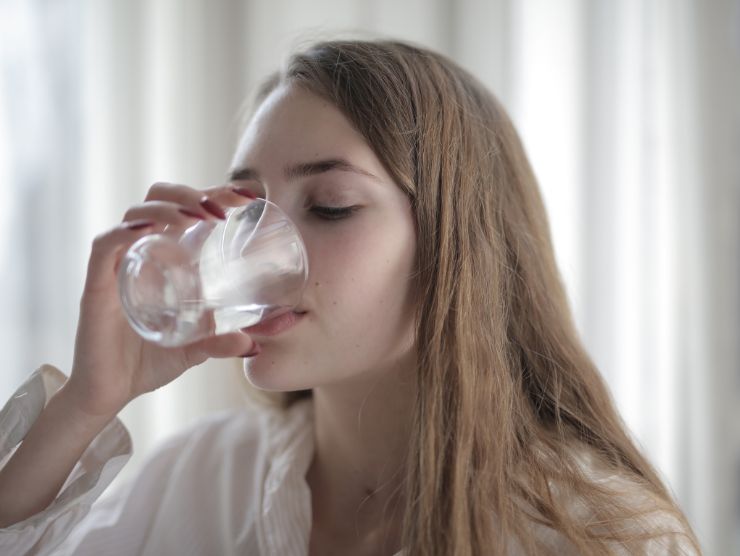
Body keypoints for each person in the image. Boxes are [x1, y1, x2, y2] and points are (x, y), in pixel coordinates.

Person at [0, 39, 701, 555]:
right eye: (246, 208)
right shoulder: (203, 477)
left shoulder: (603, 537)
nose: (250, 249)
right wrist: (83, 408)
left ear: (456, 248)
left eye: (330, 205)